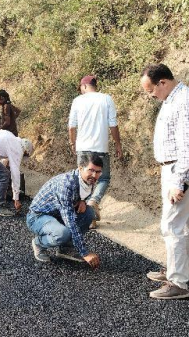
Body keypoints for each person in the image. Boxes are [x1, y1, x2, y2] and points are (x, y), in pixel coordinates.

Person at [140, 63, 189, 300]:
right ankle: (174, 270)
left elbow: (188, 147)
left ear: (163, 82)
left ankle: (177, 282)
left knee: (172, 225)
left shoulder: (184, 102)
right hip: (173, 167)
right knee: (182, 224)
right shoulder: (173, 99)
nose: (151, 96)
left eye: (151, 91)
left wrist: (179, 181)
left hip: (180, 168)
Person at [27, 152, 103, 268]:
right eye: (91, 170)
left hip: (57, 215)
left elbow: (83, 194)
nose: (94, 175)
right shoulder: (66, 184)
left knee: (89, 213)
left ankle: (66, 249)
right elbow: (70, 222)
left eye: (98, 172)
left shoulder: (88, 181)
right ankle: (39, 243)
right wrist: (84, 253)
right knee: (63, 233)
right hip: (38, 217)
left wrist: (83, 201)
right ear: (80, 168)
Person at [68, 74, 122, 229]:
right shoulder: (106, 99)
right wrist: (118, 144)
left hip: (83, 148)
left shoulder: (78, 101)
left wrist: (72, 142)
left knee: (84, 180)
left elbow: (71, 126)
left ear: (84, 86)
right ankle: (93, 202)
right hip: (100, 148)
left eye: (80, 87)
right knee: (103, 178)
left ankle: (89, 217)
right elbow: (113, 124)